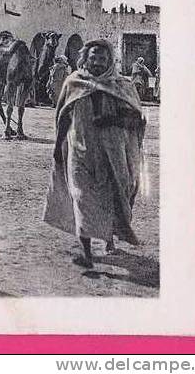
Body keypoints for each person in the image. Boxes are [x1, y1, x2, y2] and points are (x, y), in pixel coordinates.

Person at [44, 39, 147, 270]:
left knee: (114, 197)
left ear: (110, 61)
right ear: (85, 58)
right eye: (94, 58)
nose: (98, 63)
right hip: (79, 152)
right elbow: (62, 118)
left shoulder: (121, 85)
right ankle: (86, 252)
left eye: (102, 59)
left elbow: (136, 119)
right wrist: (57, 147)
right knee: (81, 198)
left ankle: (109, 236)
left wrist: (112, 119)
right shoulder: (74, 82)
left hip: (112, 155)